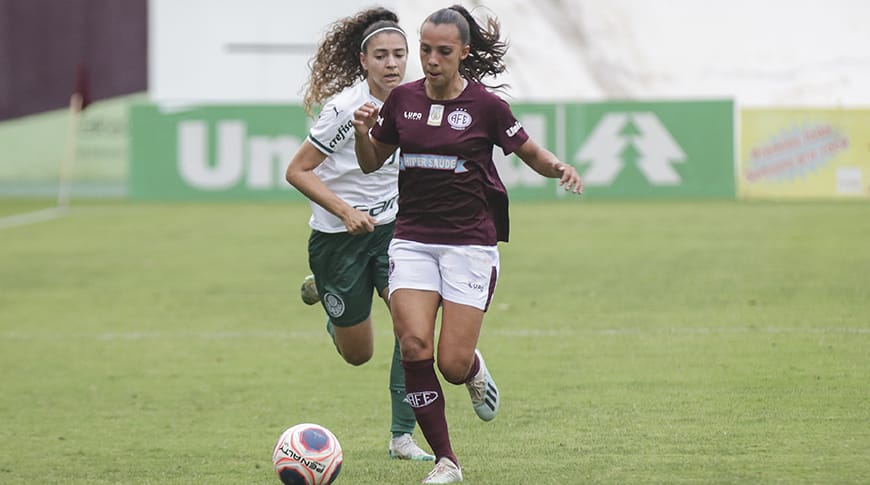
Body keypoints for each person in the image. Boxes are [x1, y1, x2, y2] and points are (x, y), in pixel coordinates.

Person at [352, 5, 583, 483]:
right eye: (425, 50)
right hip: (412, 240)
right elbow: (372, 161)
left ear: (464, 53)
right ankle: (447, 461)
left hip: (469, 245)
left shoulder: (486, 107)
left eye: (443, 51)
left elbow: (529, 151)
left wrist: (559, 167)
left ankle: (473, 370)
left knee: (451, 364)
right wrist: (360, 133)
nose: (431, 60)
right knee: (413, 344)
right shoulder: (402, 100)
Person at [284, 7, 433, 462]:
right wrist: (346, 212)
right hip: (338, 239)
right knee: (358, 354)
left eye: (399, 54)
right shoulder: (344, 109)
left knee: (413, 329)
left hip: (393, 233)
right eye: (381, 55)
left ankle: (402, 437)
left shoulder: (417, 100)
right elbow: (297, 170)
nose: (392, 63)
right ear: (364, 61)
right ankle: (328, 292)